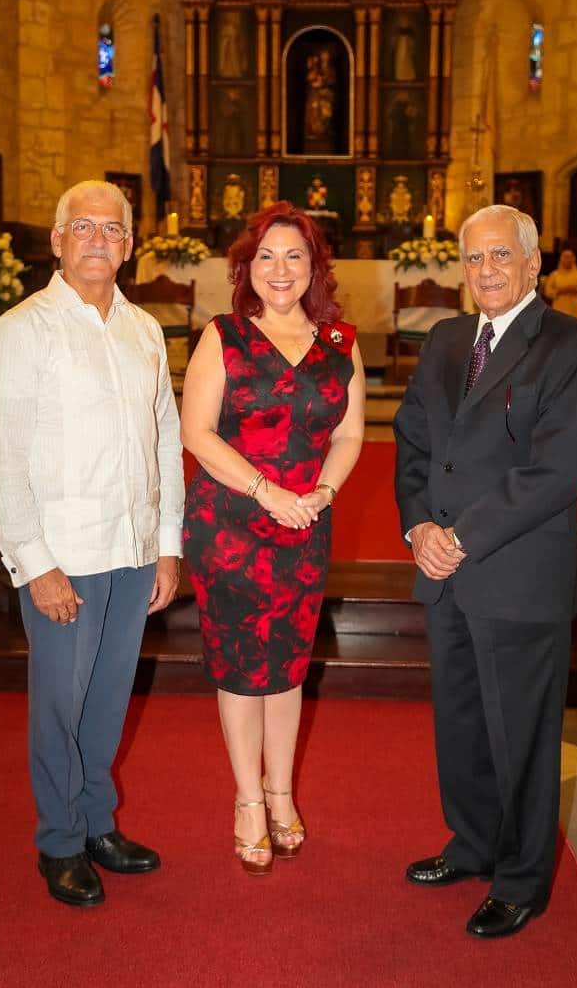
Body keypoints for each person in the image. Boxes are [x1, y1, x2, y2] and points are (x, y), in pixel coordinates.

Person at [0, 180, 185, 907]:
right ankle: (60, 841)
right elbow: (0, 460)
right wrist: (37, 566)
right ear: (58, 241)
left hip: (131, 551)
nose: (98, 239)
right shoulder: (22, 329)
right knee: (59, 706)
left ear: (129, 246)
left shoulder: (144, 331)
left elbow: (164, 437)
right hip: (64, 555)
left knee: (105, 704)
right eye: (83, 227)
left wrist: (166, 545)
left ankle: (97, 822)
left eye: (112, 229)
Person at [393, 204, 577, 939]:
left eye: (500, 256)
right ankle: (472, 843)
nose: (485, 270)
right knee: (462, 724)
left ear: (533, 263)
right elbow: (413, 438)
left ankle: (520, 878)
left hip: (515, 574)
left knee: (521, 737)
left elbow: (556, 469)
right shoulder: (446, 338)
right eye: (473, 258)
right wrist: (418, 524)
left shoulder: (573, 345)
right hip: (442, 571)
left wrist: (460, 537)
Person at [181, 201, 364, 875]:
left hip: (304, 527)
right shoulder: (222, 335)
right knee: (240, 669)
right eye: (265, 256)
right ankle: (246, 800)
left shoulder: (342, 341)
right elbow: (195, 433)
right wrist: (267, 492)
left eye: (294, 255)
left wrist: (320, 493)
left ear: (314, 266)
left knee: (287, 668)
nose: (279, 268)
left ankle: (281, 792)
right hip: (231, 524)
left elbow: (347, 434)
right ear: (246, 268)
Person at [543, 245, 577, 318]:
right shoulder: (554, 275)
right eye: (565, 257)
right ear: (561, 258)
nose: (568, 259)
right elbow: (548, 292)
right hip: (559, 311)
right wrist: (561, 290)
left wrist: (576, 289)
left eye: (570, 257)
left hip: (576, 312)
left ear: (574, 258)